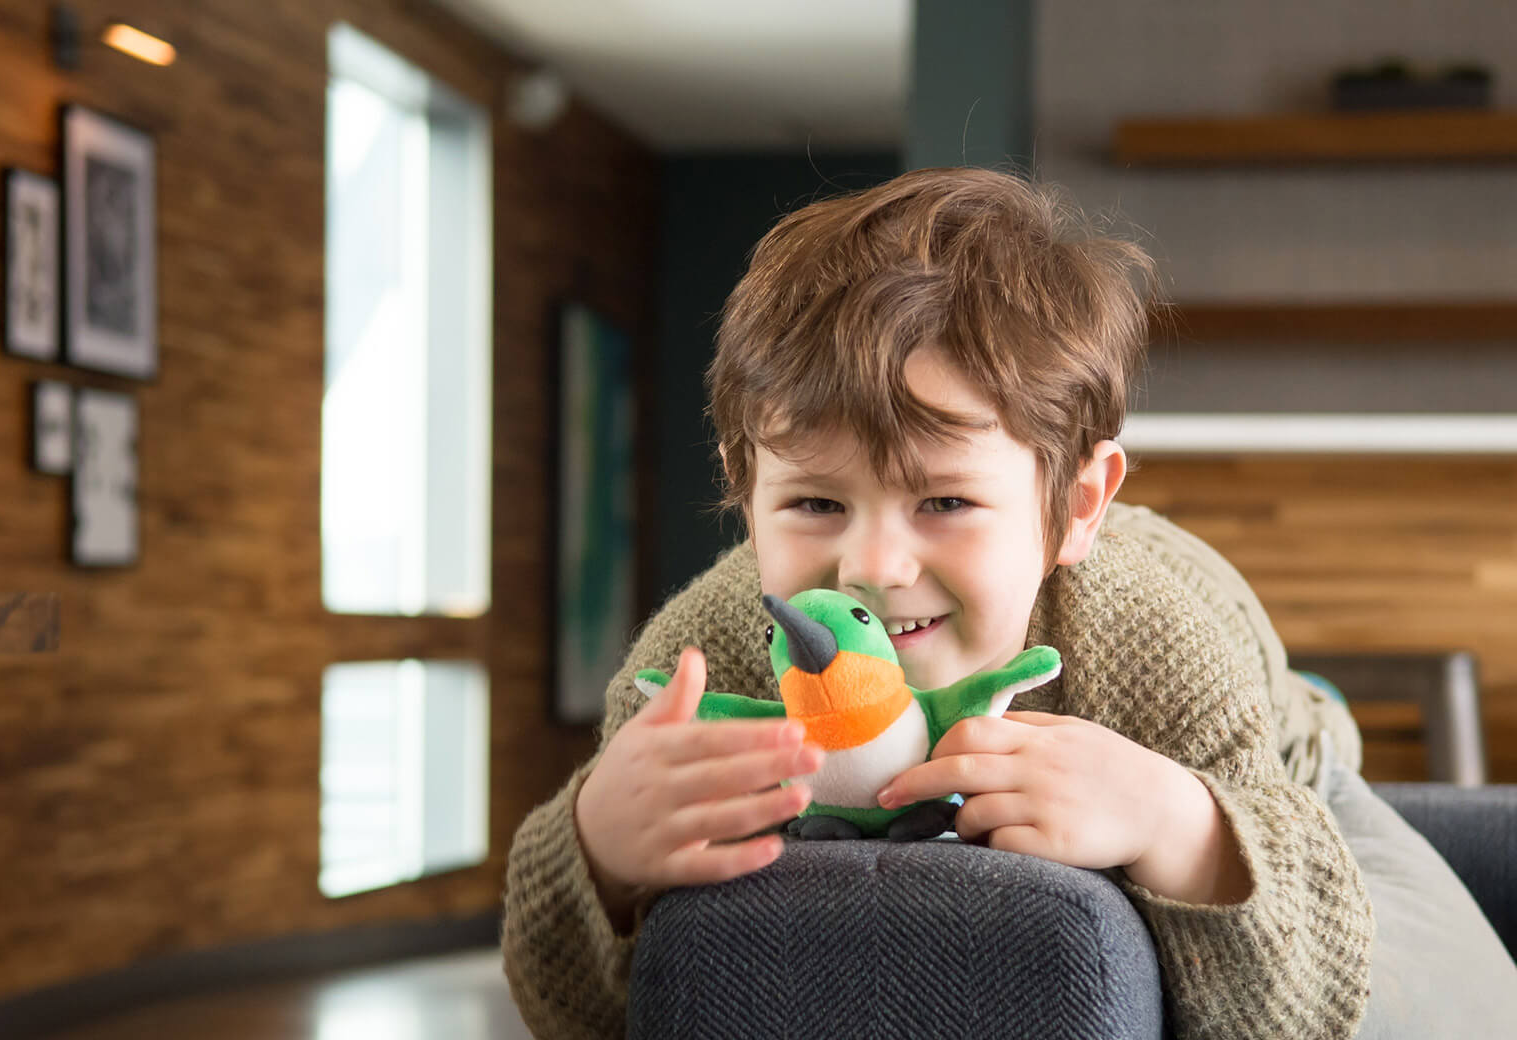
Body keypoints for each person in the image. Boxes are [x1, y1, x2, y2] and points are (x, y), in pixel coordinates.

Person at [501, 167, 1376, 1039]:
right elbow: (567, 1010)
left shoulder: (1153, 644)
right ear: (744, 485)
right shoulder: (702, 663)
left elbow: (1312, 1006)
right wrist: (597, 854)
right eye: (816, 504)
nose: (872, 569)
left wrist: (1176, 821)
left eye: (945, 503)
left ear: (1075, 506)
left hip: (1214, 617)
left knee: (1311, 737)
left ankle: (1320, 706)